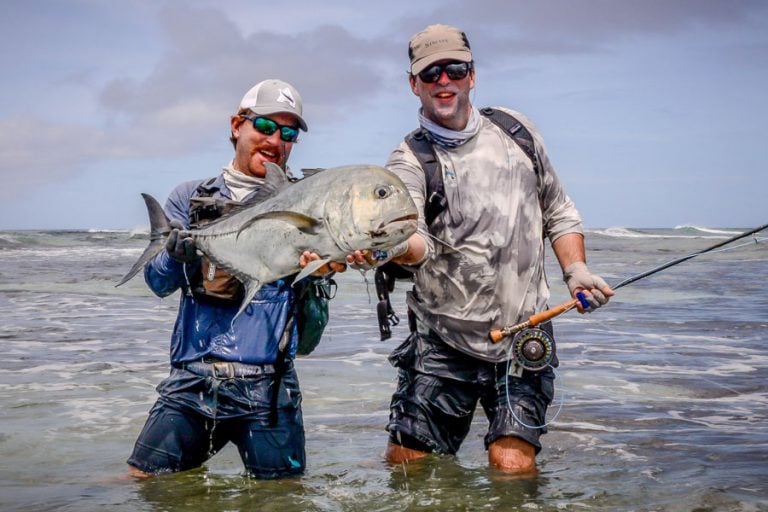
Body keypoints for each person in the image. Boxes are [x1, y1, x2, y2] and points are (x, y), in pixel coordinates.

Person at [371, 24, 615, 474]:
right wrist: (392, 245)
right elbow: (418, 245)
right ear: (414, 85)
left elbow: (559, 211)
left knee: (511, 467)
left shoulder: (517, 132)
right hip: (442, 341)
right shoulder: (408, 160)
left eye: (454, 69)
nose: (443, 81)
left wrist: (576, 270)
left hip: (524, 334)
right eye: (431, 74)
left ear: (472, 75)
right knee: (407, 467)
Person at [127, 79, 351, 479]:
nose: (275, 140)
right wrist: (177, 259)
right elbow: (157, 284)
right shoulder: (191, 196)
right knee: (143, 487)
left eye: (288, 133)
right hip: (193, 382)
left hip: (271, 388)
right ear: (236, 125)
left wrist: (319, 271)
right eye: (265, 126)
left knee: (283, 504)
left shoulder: (308, 201)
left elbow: (311, 331)